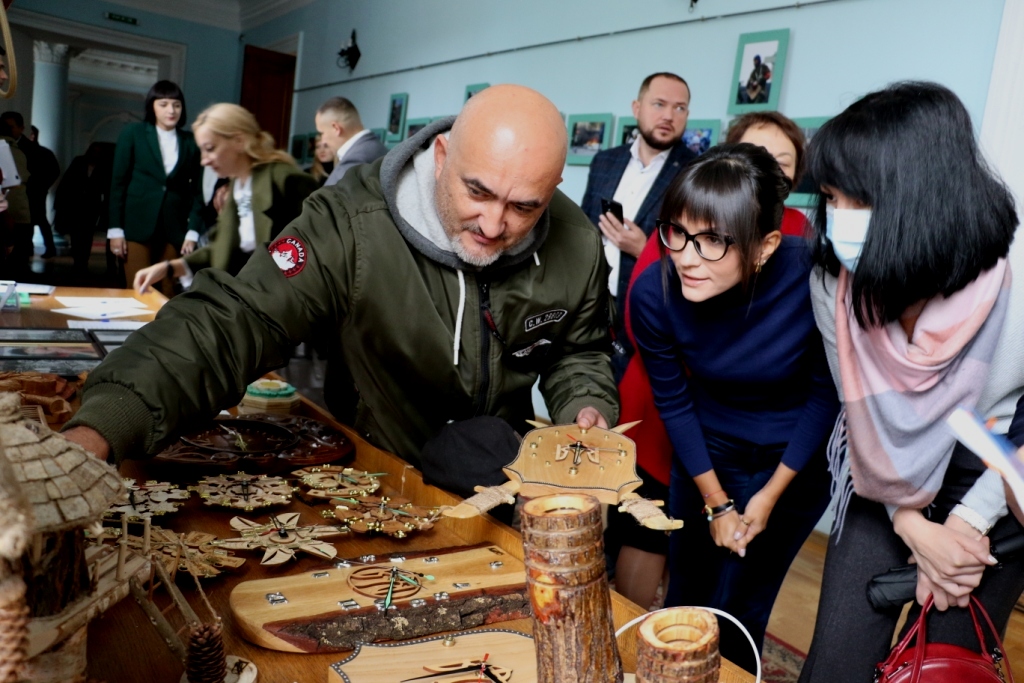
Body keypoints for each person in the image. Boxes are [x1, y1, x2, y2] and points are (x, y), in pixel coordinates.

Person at [63, 85, 618, 481]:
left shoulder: (577, 240)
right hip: (378, 474)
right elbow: (235, 322)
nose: (495, 226)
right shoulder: (348, 223)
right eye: (478, 192)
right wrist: (106, 426)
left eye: (524, 207)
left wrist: (586, 405)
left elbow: (579, 350)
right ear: (443, 155)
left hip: (502, 481)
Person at [797, 82, 1024, 683]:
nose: (836, 219)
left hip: (994, 479)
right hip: (880, 476)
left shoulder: (1015, 285)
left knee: (945, 666)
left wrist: (964, 524)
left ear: (920, 198)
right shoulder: (831, 282)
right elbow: (859, 412)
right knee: (837, 662)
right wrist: (909, 522)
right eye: (828, 197)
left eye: (856, 200)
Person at [630, 143, 839, 672]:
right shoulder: (654, 293)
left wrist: (767, 498)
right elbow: (673, 401)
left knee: (745, 604)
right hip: (708, 447)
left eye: (714, 241)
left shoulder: (813, 276)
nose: (686, 257)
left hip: (795, 457)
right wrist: (718, 504)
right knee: (689, 595)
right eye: (675, 231)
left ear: (766, 245)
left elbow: (825, 395)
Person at [581, 71, 697, 609]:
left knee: (637, 463)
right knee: (587, 442)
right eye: (659, 103)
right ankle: (589, 559)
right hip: (588, 317)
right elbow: (583, 229)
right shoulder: (605, 161)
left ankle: (632, 575)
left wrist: (641, 244)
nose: (668, 115)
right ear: (637, 106)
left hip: (643, 328)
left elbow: (692, 252)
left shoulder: (693, 172)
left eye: (679, 107)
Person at [133, 103, 319, 292]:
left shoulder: (285, 179)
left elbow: (318, 247)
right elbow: (221, 248)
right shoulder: (237, 188)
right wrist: (169, 268)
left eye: (210, 148)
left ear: (239, 141)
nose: (204, 160)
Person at [107, 80, 205, 297]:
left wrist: (193, 231)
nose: (171, 110)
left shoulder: (191, 142)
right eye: (164, 104)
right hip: (137, 224)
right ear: (152, 106)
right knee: (138, 288)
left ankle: (167, 332)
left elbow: (198, 192)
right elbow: (117, 185)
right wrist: (115, 231)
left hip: (174, 228)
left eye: (176, 105)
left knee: (169, 292)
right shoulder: (133, 133)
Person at [724, 111, 808, 237]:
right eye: (756, 157)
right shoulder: (702, 213)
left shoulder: (799, 224)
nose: (770, 169)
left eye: (782, 163)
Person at [1, 111, 60, 259]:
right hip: (9, 202)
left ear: (21, 128)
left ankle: (29, 257)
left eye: (11, 126)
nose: (8, 130)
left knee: (29, 230)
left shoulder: (34, 150)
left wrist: (39, 189)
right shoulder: (5, 145)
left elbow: (52, 171)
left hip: (31, 197)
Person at [53, 142, 114, 278]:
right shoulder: (79, 161)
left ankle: (82, 263)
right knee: (76, 236)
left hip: (92, 206)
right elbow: (68, 181)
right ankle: (78, 263)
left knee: (86, 235)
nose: (95, 154)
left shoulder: (104, 166)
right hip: (76, 204)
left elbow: (105, 186)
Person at [316, 96, 387, 187]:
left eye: (322, 133)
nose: (323, 140)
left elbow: (326, 200)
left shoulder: (355, 160)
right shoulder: (377, 148)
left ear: (336, 128)